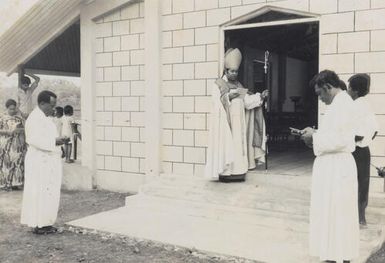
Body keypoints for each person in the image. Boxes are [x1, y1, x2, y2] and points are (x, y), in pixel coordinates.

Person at [300, 70, 359, 263]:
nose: (320, 99)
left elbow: (342, 139)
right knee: (330, 214)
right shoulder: (337, 104)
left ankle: (339, 256)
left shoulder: (343, 104)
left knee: (338, 214)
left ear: (327, 87)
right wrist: (315, 132)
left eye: (320, 94)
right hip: (331, 167)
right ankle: (333, 255)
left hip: (338, 168)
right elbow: (333, 132)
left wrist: (314, 138)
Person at [205, 48, 268, 182]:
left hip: (240, 123)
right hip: (226, 124)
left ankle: (238, 172)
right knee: (228, 146)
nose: (234, 74)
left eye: (236, 71)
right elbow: (215, 103)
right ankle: (227, 173)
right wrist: (228, 96)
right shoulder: (218, 84)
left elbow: (247, 102)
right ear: (226, 70)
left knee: (239, 146)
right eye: (232, 71)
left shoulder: (238, 84)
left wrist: (259, 97)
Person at [20, 90, 69, 234]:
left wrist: (59, 143)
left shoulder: (46, 118)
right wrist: (55, 141)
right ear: (42, 103)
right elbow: (33, 139)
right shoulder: (34, 118)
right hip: (39, 162)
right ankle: (40, 224)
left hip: (49, 159)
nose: (53, 108)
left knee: (50, 192)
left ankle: (46, 223)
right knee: (41, 192)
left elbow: (49, 137)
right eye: (51, 105)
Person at [347, 73, 378, 226]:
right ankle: (361, 217)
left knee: (352, 182)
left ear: (355, 90)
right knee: (363, 183)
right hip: (364, 150)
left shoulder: (355, 106)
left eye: (348, 88)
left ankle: (355, 217)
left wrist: (355, 139)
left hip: (354, 150)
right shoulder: (368, 105)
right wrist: (365, 140)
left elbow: (355, 132)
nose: (347, 91)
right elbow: (375, 130)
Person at [0, 99, 26, 190]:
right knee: (6, 164)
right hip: (6, 145)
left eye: (14, 109)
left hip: (18, 144)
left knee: (18, 163)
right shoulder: (2, 118)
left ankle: (17, 183)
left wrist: (20, 130)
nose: (13, 111)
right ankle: (5, 184)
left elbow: (26, 129)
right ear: (6, 108)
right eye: (11, 109)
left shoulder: (19, 118)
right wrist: (7, 131)